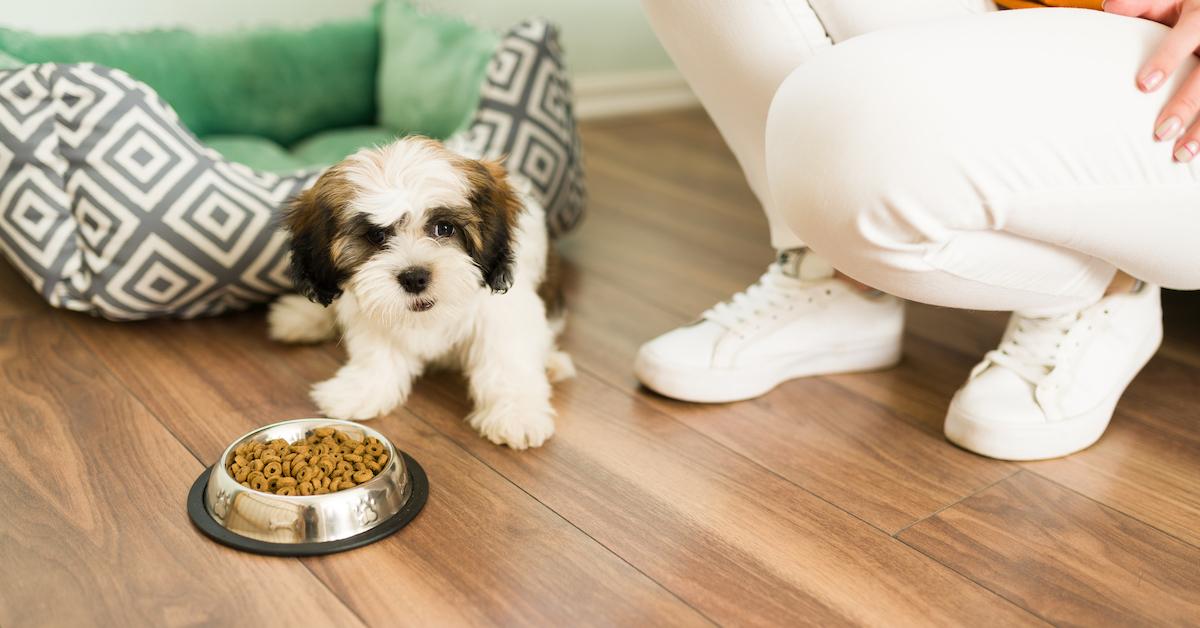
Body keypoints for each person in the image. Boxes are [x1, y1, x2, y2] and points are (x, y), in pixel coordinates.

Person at [635, 0, 1200, 460]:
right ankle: (839, 279)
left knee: (849, 123)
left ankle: (1107, 287)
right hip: (1017, 17)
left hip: (1168, 59)